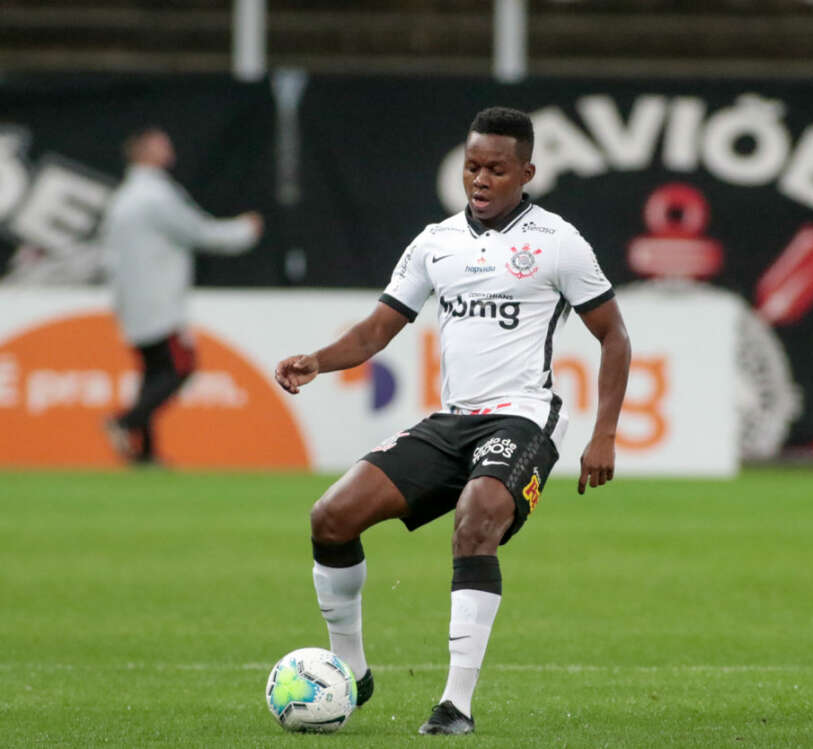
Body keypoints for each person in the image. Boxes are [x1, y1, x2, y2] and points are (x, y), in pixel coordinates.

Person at [274, 106, 631, 735]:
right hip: (453, 419)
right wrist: (318, 360)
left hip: (524, 416)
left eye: (496, 168)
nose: (481, 179)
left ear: (527, 172)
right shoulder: (435, 242)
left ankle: (455, 705)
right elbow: (378, 330)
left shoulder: (557, 242)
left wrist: (604, 434)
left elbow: (614, 336)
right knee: (330, 517)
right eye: (472, 166)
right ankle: (353, 673)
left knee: (477, 515)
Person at [103, 127, 263, 464]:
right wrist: (244, 231)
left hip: (131, 302)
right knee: (180, 367)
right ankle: (125, 422)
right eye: (162, 144)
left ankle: (145, 454)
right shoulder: (156, 196)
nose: (170, 149)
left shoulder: (123, 198)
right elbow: (198, 231)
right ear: (146, 152)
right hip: (158, 302)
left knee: (151, 374)